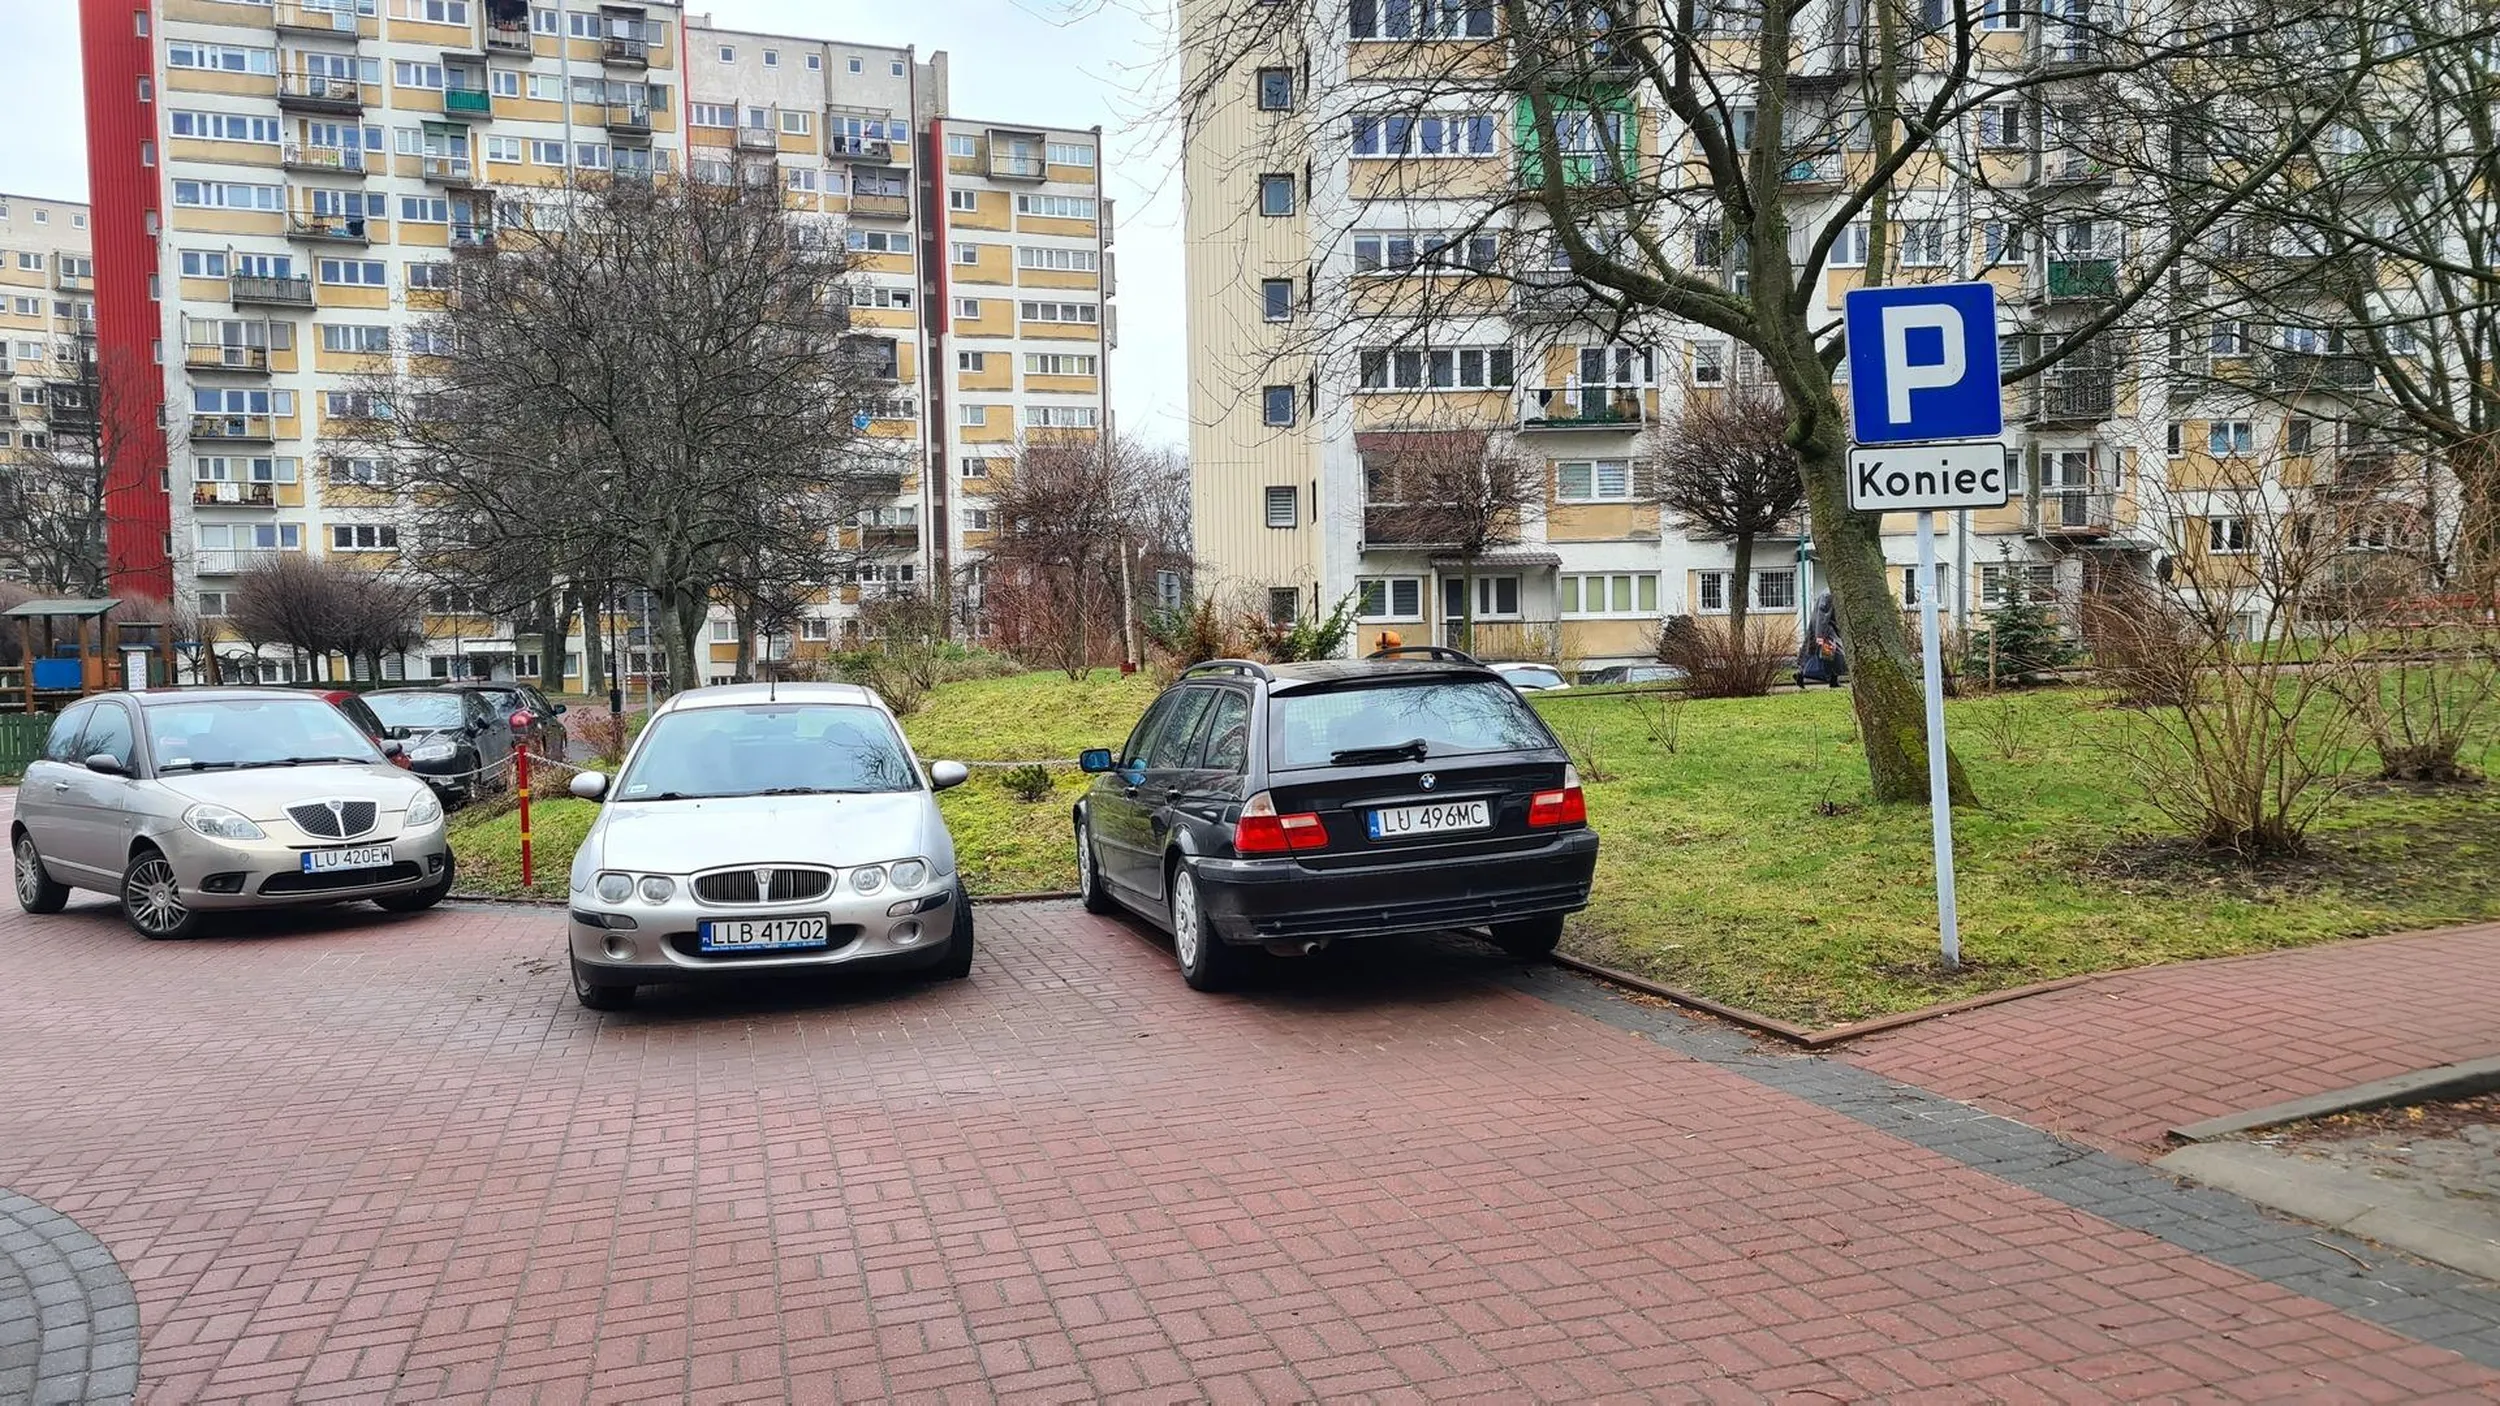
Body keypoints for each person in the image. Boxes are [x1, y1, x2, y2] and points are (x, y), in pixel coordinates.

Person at [1797, 590, 1846, 687]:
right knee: (1835, 654)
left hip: (1823, 628)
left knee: (1828, 655)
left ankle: (1833, 680)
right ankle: (1802, 674)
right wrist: (1820, 635)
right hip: (1826, 630)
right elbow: (1822, 616)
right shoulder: (1828, 595)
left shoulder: (1828, 593)